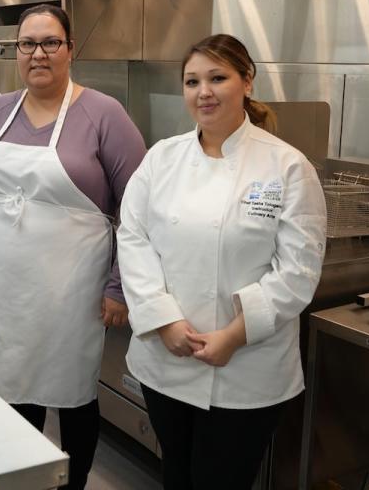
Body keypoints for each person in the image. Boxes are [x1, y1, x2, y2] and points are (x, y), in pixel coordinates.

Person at [116, 34, 327, 490]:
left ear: (247, 82)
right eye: (192, 81)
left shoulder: (288, 166)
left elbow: (299, 270)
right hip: (166, 357)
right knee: (176, 472)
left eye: (218, 78)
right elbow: (133, 240)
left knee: (222, 481)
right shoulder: (162, 159)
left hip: (247, 366)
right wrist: (163, 319)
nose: (203, 92)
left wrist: (235, 335)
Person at [0, 4, 147, 490]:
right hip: (4, 282)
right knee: (12, 386)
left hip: (72, 286)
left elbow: (139, 207)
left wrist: (119, 285)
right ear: (17, 51)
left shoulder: (104, 113)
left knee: (73, 391)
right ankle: (26, 478)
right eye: (27, 44)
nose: (38, 54)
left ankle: (73, 483)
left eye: (49, 43)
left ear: (69, 49)